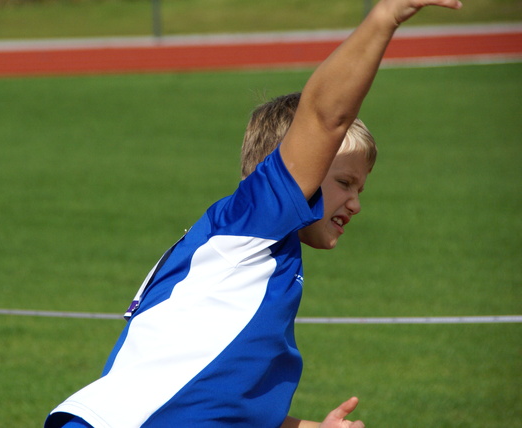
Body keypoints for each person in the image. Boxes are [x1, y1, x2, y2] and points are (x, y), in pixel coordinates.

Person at [45, 0, 462, 427]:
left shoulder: (255, 258)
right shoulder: (250, 227)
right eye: (344, 182)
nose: (356, 202)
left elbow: (216, 409)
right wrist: (385, 17)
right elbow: (325, 117)